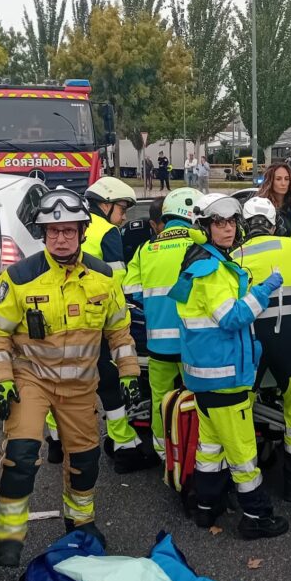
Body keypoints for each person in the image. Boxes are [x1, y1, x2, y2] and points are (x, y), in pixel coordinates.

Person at [0, 187, 141, 566]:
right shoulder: (19, 278)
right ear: (43, 234)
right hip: (31, 379)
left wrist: (129, 372)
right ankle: (8, 533)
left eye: (69, 231)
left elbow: (119, 332)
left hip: (79, 387)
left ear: (83, 232)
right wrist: (1, 379)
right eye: (53, 231)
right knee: (21, 455)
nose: (61, 238)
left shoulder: (103, 278)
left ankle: (80, 521)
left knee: (85, 460)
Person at [171, 194, 290, 539]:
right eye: (219, 224)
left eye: (231, 223)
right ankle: (256, 516)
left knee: (210, 449)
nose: (227, 229)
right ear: (205, 228)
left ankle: (205, 508)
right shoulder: (212, 270)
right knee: (243, 455)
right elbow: (233, 317)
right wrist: (266, 288)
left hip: (204, 377)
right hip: (225, 379)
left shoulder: (197, 263)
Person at [42, 177, 158, 474]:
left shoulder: (68, 223)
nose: (123, 218)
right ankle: (123, 447)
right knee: (109, 384)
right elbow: (115, 285)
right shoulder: (107, 232)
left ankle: (55, 442)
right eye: (122, 210)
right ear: (106, 204)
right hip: (95, 319)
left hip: (58, 317)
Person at [232, 197, 291, 501]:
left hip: (248, 342)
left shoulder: (233, 254)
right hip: (288, 339)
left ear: (244, 225)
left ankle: (244, 483)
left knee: (241, 409)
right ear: (273, 224)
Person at [122, 188, 201, 460]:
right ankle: (197, 447)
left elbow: (131, 289)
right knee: (198, 397)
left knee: (160, 398)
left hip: (158, 342)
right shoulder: (199, 240)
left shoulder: (146, 248)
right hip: (194, 340)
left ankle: (161, 449)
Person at [257, 161, 291, 236]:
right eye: (278, 179)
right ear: (270, 181)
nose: (283, 183)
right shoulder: (262, 207)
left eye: (286, 179)